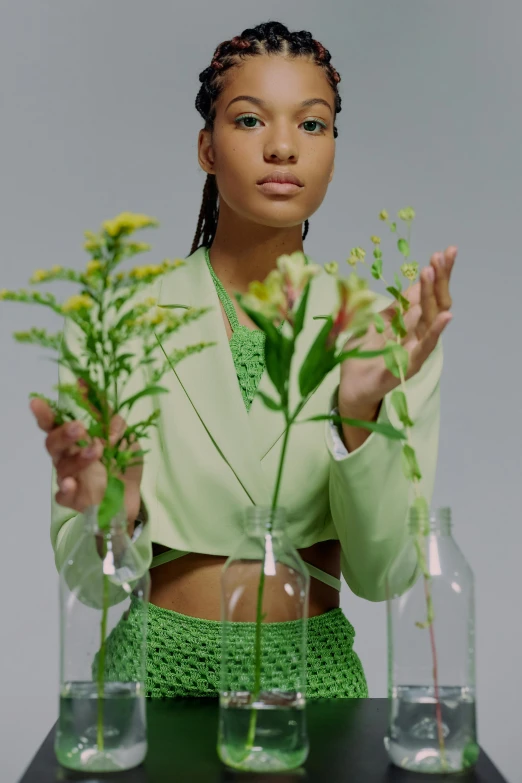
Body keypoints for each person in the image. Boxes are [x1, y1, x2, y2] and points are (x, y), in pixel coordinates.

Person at [30, 20, 455, 699]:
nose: (283, 147)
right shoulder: (116, 322)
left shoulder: (384, 334)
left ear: (335, 151)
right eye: (250, 119)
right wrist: (113, 508)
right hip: (154, 678)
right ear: (207, 147)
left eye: (312, 126)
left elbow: (383, 574)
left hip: (313, 683)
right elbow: (90, 584)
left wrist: (357, 415)